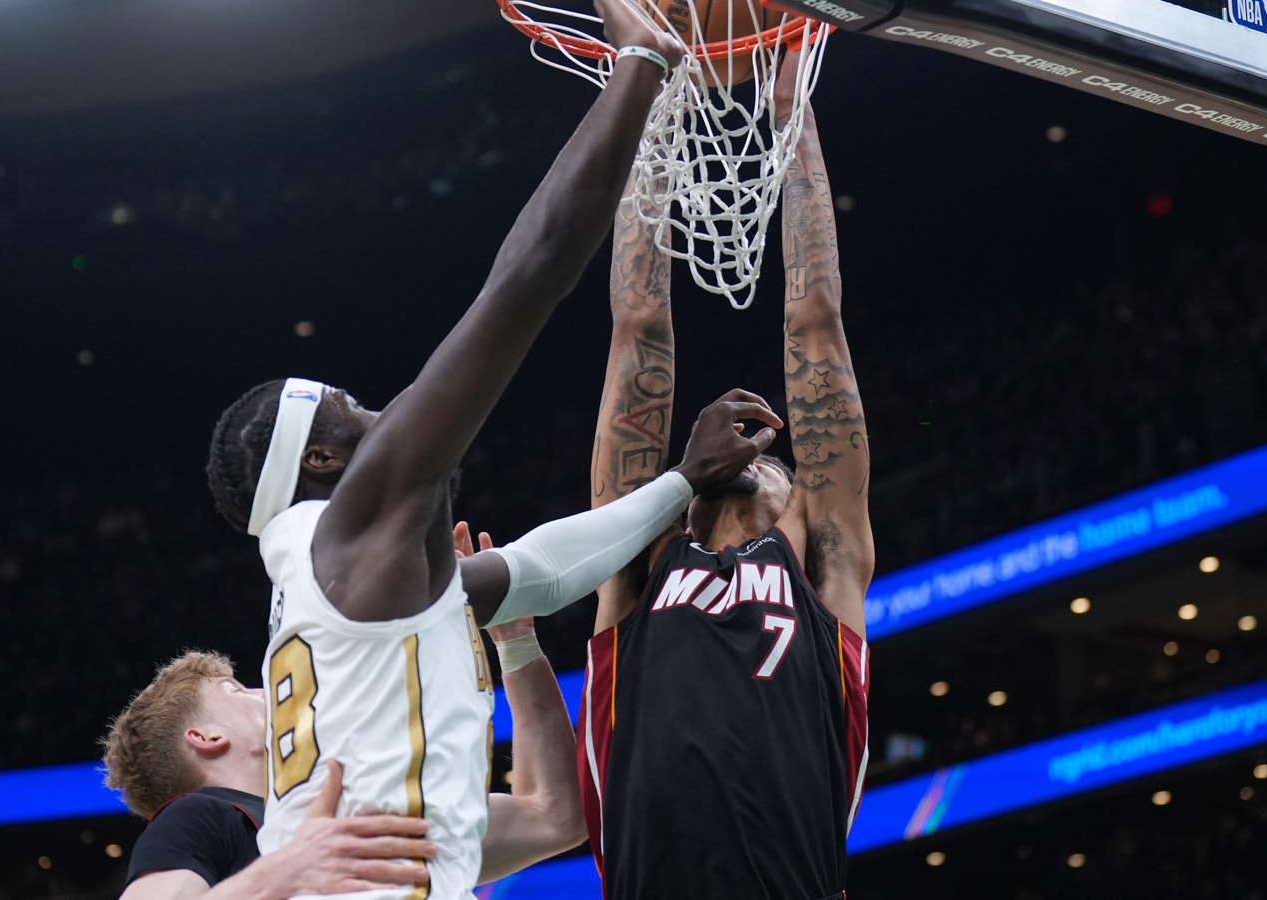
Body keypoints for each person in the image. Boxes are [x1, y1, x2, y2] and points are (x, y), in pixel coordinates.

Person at [201, 2, 783, 897]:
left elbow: (535, 576)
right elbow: (533, 267)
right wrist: (638, 63)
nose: (379, 412)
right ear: (322, 462)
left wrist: (679, 483)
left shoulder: (338, 589)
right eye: (351, 408)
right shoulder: (357, 530)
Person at [579, 56, 871, 900]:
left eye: (778, 463)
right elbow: (636, 329)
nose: (758, 461)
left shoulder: (826, 573)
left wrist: (793, 115)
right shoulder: (635, 566)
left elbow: (815, 324)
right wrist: (653, 106)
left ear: (804, 508)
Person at [100, 603, 580, 898]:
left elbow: (553, 817)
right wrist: (289, 869)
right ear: (207, 738)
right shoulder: (200, 817)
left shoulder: (350, 804)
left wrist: (514, 641)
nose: (264, 692)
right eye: (237, 690)